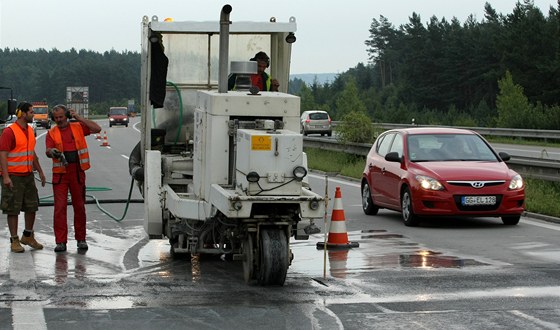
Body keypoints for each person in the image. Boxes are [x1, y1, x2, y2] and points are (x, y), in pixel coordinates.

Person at [45, 105, 101, 252]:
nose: (59, 120)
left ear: (67, 116)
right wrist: (52, 152)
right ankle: (60, 241)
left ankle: (81, 239)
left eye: (61, 117)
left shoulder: (78, 127)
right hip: (60, 174)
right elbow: (47, 150)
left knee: (79, 207)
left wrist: (78, 117)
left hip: (77, 171)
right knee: (60, 208)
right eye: (56, 118)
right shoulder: (52, 132)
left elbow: (97, 129)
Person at [0, 102, 46, 253]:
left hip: (27, 176)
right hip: (13, 176)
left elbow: (32, 154)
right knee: (13, 209)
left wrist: (39, 171)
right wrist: (6, 177)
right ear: (22, 114)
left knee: (32, 206)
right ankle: (14, 240)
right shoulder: (9, 132)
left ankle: (27, 236)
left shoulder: (29, 131)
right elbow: (3, 155)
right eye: (31, 112)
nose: (34, 115)